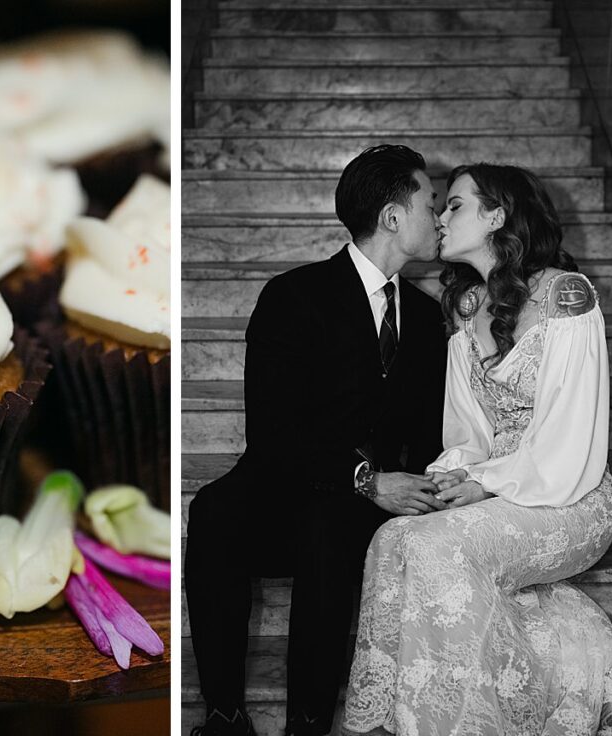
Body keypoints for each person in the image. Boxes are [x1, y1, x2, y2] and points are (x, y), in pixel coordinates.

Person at [342, 163, 612, 735]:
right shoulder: (467, 310)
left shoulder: (568, 296)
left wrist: (484, 484)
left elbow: (570, 439)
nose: (441, 218)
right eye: (440, 206)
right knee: (393, 537)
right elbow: (466, 434)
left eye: (456, 206)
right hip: (498, 486)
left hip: (570, 495)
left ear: (497, 215)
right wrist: (452, 477)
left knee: (439, 550)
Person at [185, 144, 449, 736]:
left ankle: (308, 724)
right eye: (430, 203)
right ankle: (224, 717)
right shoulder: (293, 295)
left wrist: (429, 483)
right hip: (286, 477)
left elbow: (430, 434)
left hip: (357, 503)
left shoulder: (431, 321)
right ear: (392, 216)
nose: (437, 219)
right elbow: (272, 430)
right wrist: (365, 479)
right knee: (212, 512)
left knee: (330, 530)